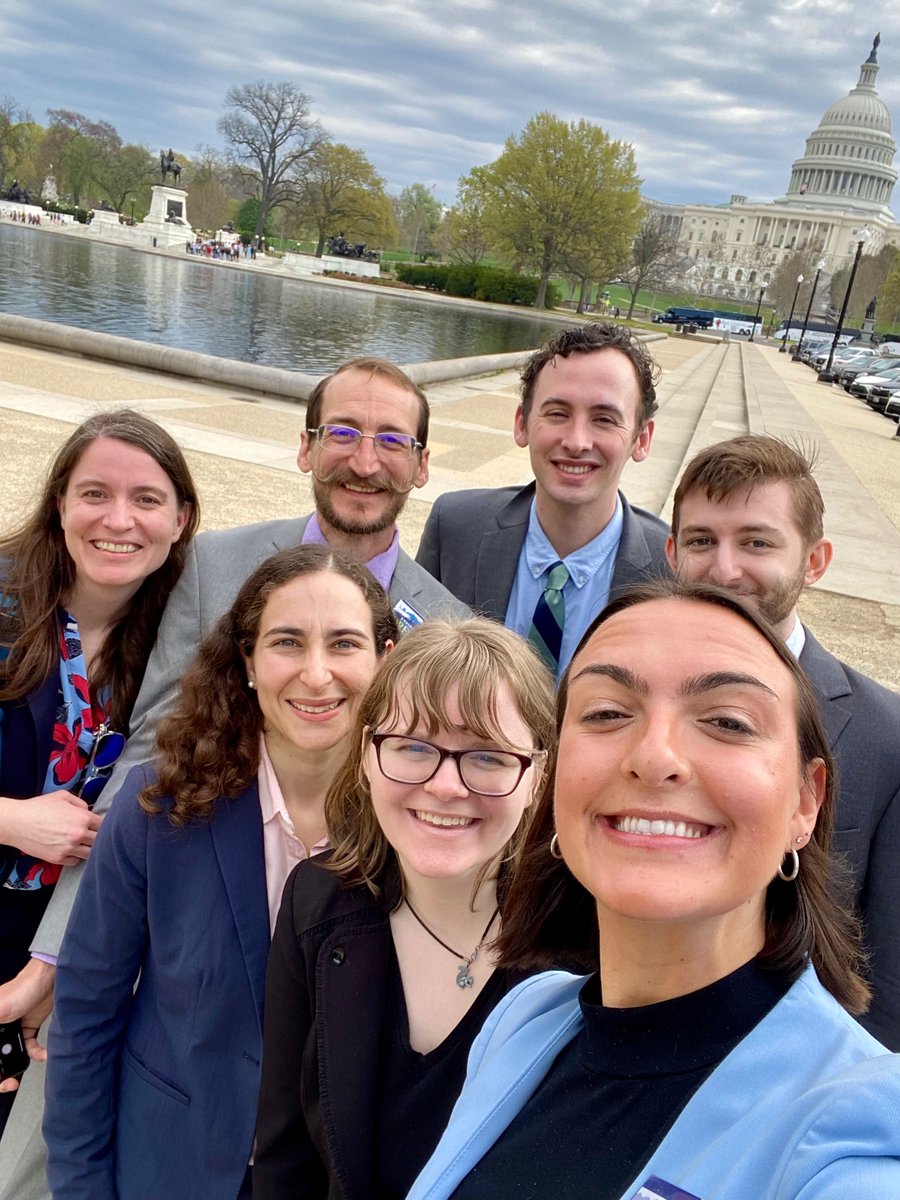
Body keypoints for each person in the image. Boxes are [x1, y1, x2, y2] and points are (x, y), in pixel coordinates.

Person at [11, 357, 470, 1129]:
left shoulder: (450, 623)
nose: (365, 460)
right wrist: (58, 949)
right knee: (51, 1130)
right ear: (305, 448)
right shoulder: (213, 567)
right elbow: (145, 757)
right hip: (171, 921)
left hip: (336, 957)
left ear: (422, 466)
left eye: (392, 440)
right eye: (343, 433)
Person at [407, 580, 900, 1200]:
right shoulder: (522, 1021)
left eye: (727, 720)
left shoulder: (858, 1134)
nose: (654, 755)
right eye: (607, 713)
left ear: (806, 802)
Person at [43, 546, 398, 1200]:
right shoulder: (158, 806)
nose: (317, 675)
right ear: (247, 661)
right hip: (167, 1168)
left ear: (385, 657)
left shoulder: (418, 825)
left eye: (344, 644)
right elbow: (85, 1019)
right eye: (287, 641)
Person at [253, 619, 556, 1200]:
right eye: (414, 747)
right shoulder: (315, 903)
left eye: (488, 756)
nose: (444, 786)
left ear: (538, 777)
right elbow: (284, 1156)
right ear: (367, 756)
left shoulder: (589, 943)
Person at [665, 435, 900, 1049]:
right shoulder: (614, 708)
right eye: (701, 541)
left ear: (814, 561)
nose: (723, 569)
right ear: (671, 553)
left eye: (756, 542)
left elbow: (888, 987)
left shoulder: (888, 739)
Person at [0, 410, 197, 1137]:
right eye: (94, 494)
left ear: (181, 519)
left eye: (146, 499)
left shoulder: (176, 652)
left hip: (56, 937)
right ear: (59, 504)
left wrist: (62, 967)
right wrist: (15, 819)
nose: (119, 520)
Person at [416, 323, 668, 679]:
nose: (577, 441)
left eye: (604, 419)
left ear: (641, 439)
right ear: (522, 424)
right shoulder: (455, 526)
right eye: (557, 414)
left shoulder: (673, 568)